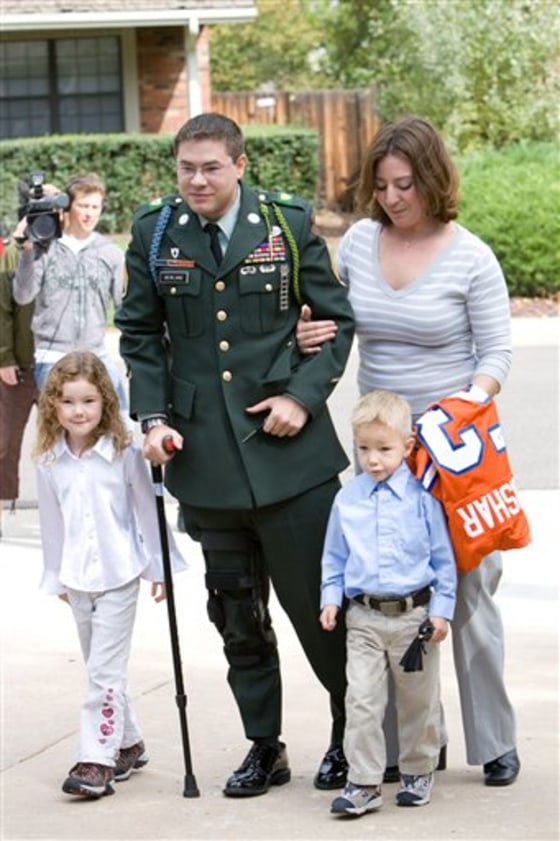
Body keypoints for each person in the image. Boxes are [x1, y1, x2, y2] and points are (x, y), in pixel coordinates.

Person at [115, 112, 355, 797]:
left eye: (211, 166)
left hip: (293, 458)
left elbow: (336, 325)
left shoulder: (287, 225)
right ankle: (265, 745)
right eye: (186, 167)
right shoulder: (155, 233)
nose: (197, 179)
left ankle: (348, 732)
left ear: (240, 165)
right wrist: (153, 418)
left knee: (321, 609)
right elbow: (139, 332)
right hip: (205, 462)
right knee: (236, 613)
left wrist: (302, 398)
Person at [296, 115, 521, 787]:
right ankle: (410, 745)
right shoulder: (361, 242)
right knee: (384, 592)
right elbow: (337, 318)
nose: (394, 198)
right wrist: (314, 335)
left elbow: (497, 354)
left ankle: (495, 738)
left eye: (407, 185)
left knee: (471, 596)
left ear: (435, 180)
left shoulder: (471, 255)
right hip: (382, 450)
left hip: (455, 450)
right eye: (384, 185)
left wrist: (463, 403)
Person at [33, 351, 186, 799]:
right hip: (77, 580)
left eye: (88, 401)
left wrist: (161, 567)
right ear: (53, 407)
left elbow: (146, 511)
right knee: (102, 670)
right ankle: (128, 742)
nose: (78, 411)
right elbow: (52, 524)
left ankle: (95, 760)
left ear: (105, 404)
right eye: (67, 402)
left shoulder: (122, 454)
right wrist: (56, 576)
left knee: (102, 672)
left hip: (119, 576)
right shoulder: (48, 460)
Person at [321, 390, 456, 815]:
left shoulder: (423, 498)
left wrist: (441, 611)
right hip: (362, 617)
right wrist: (331, 599)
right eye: (364, 449)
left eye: (384, 449)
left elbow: (443, 560)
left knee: (418, 699)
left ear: (407, 446)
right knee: (361, 700)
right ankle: (363, 782)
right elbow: (334, 558)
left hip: (414, 619)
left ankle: (418, 769)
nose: (373, 459)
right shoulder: (348, 499)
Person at [12, 173, 128, 408]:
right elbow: (22, 296)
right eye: (83, 205)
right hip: (52, 356)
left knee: (123, 421)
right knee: (61, 433)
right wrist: (26, 250)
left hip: (96, 355)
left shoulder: (111, 253)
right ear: (67, 207)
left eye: (95, 206)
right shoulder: (46, 249)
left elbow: (124, 311)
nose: (89, 213)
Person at [0, 230, 37, 537]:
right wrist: (5, 357)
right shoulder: (12, 253)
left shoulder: (65, 249)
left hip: (60, 362)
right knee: (4, 441)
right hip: (20, 364)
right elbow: (2, 311)